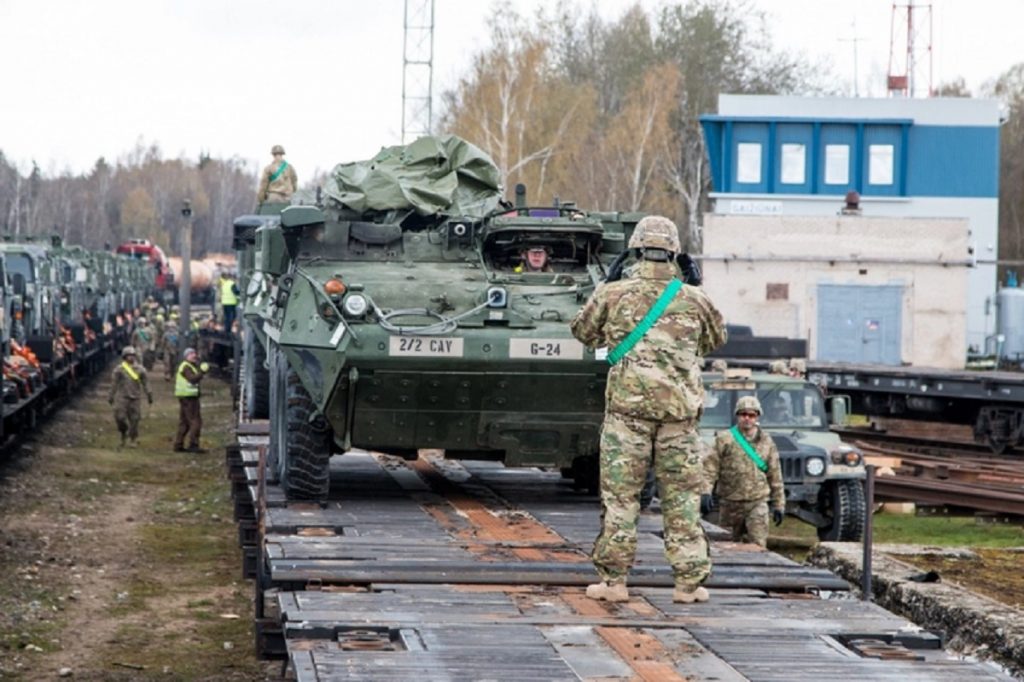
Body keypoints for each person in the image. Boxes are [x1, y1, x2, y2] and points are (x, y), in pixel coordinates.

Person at [570, 215, 727, 604]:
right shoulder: (694, 300)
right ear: (676, 253)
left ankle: (614, 583)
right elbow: (715, 339)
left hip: (627, 419)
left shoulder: (614, 294)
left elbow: (582, 333)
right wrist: (694, 287)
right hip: (679, 420)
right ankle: (688, 585)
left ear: (635, 250)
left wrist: (607, 284)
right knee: (682, 501)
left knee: (621, 500)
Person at [702, 396, 785, 548]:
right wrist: (706, 492)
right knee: (725, 546)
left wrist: (779, 504)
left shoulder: (766, 441)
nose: (747, 418)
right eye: (743, 414)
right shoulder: (724, 439)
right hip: (729, 503)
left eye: (751, 415)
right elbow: (710, 467)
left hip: (757, 501)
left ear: (757, 416)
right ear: (737, 416)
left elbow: (775, 474)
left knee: (758, 545)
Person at [108, 346, 153, 449]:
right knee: (120, 417)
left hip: (135, 398)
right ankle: (124, 432)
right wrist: (111, 396)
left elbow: (146, 383)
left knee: (135, 419)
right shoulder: (119, 370)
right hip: (122, 397)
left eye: (132, 355)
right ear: (124, 357)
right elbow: (114, 384)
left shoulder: (140, 370)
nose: (131, 358)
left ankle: (133, 438)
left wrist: (149, 394)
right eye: (128, 356)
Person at [173, 347, 210, 453]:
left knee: (184, 422)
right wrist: (202, 372)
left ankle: (178, 445)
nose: (194, 355)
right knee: (195, 421)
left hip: (186, 397)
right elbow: (192, 379)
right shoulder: (186, 367)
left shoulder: (189, 366)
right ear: (186, 356)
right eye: (191, 354)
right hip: (189, 397)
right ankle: (193, 445)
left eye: (194, 353)